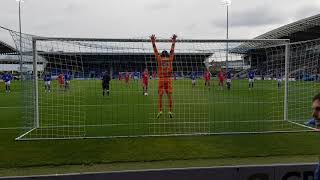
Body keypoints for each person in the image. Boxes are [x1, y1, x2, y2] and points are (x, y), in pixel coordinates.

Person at [151, 34, 177, 118]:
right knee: (169, 96)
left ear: (161, 55)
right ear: (167, 55)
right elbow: (172, 50)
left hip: (161, 79)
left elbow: (155, 51)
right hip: (168, 79)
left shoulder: (159, 59)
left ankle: (160, 110)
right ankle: (170, 111)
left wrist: (153, 41)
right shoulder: (170, 59)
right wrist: (173, 40)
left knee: (160, 96)